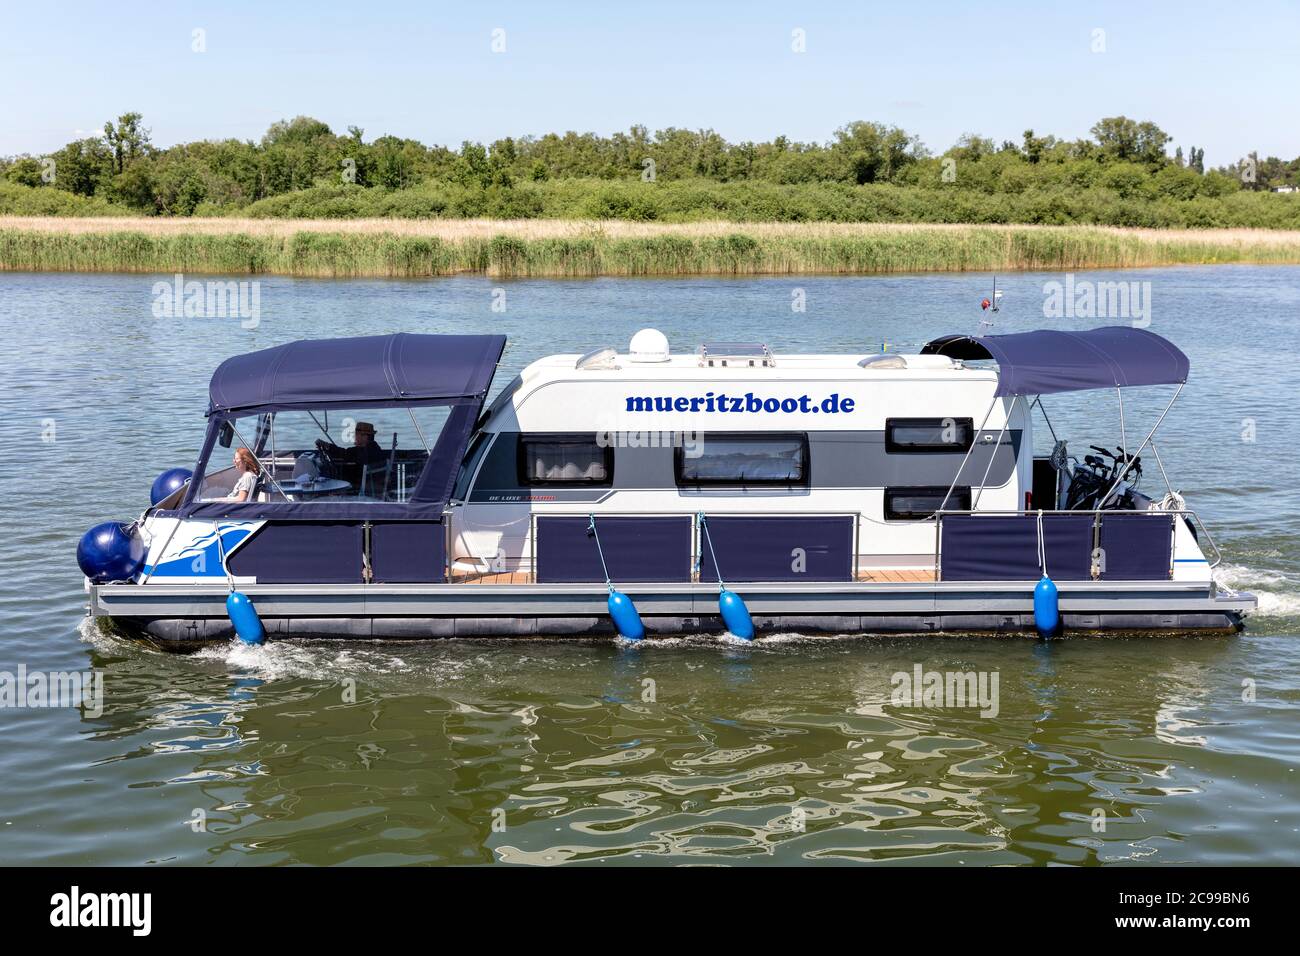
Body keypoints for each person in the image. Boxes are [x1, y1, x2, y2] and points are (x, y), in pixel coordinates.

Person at [315, 421, 386, 489]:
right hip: (372, 480)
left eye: (357, 434)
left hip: (364, 483)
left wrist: (327, 445)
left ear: (365, 437)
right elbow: (346, 454)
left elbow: (344, 454)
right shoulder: (374, 447)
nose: (355, 437)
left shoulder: (362, 451)